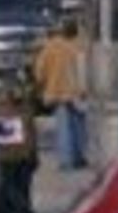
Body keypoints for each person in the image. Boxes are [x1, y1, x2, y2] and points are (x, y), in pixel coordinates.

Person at [31, 18, 88, 170]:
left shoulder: (50, 47)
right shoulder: (80, 46)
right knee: (78, 126)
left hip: (57, 91)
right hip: (78, 92)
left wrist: (40, 85)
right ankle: (79, 157)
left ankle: (66, 161)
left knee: (63, 127)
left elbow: (39, 72)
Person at [0, 76, 41, 213]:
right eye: (17, 90)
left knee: (19, 188)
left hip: (24, 155)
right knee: (10, 189)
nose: (21, 93)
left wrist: (34, 153)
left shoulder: (25, 105)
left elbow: (31, 130)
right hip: (8, 157)